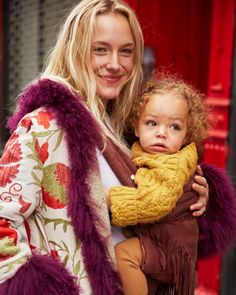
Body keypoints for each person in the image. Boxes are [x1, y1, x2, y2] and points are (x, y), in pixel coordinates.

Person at [0, 1, 235, 294]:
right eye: (100, 49)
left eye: (126, 51)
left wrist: (196, 197)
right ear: (75, 50)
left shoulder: (130, 126)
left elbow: (155, 209)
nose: (115, 63)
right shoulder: (44, 125)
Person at [107, 75, 208, 295]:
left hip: (171, 249)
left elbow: (156, 202)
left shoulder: (175, 163)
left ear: (186, 135)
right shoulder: (144, 152)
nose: (161, 133)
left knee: (124, 255)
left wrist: (108, 198)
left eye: (174, 127)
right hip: (160, 240)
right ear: (136, 127)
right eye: (152, 123)